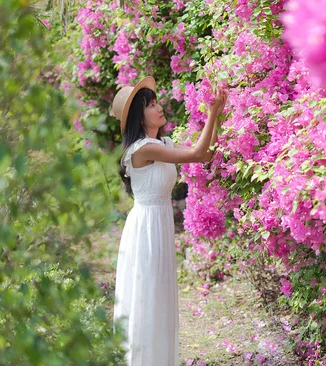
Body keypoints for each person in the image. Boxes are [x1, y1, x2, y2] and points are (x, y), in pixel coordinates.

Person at [109, 76, 227, 365]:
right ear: (140, 115)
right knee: (147, 297)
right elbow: (198, 154)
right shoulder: (142, 149)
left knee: (158, 297)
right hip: (145, 229)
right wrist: (211, 111)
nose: (159, 108)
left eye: (156, 101)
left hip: (158, 225)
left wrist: (219, 113)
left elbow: (207, 154)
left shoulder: (162, 143)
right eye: (151, 105)